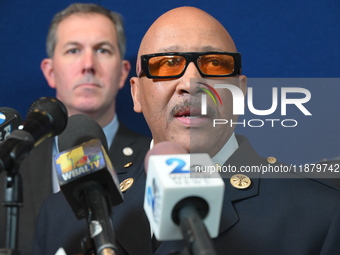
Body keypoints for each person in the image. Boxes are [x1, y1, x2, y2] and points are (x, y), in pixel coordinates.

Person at [33, 6, 340, 255]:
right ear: (137, 94)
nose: (191, 84)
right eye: (167, 64)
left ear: (241, 92)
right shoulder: (62, 217)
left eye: (215, 64)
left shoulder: (320, 214)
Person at [0, 3, 150, 255]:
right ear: (50, 71)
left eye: (102, 50)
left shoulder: (152, 160)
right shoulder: (10, 160)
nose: (88, 64)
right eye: (73, 50)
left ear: (124, 73)